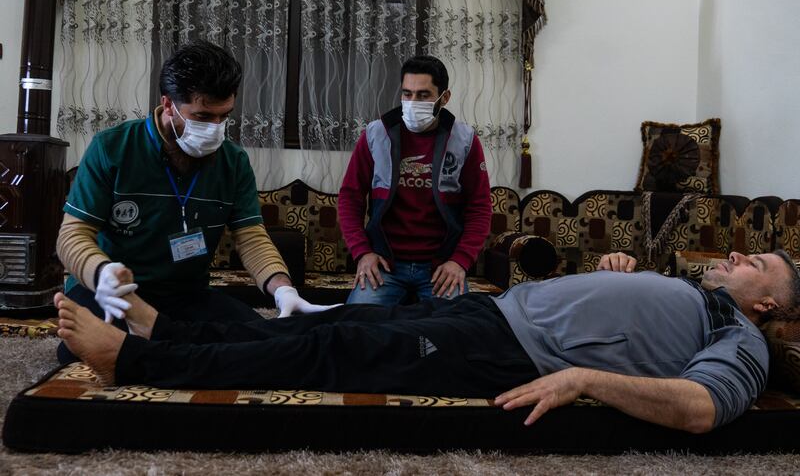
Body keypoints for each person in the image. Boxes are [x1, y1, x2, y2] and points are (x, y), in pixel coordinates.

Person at [55, 250, 800, 432]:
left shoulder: (739, 336)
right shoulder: (692, 293)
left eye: (756, 264)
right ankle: (161, 323)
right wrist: (623, 272)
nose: (737, 258)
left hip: (512, 354)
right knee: (323, 321)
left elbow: (703, 407)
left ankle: (136, 358)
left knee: (328, 353)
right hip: (494, 312)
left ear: (768, 303)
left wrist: (582, 380)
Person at [56, 40, 334, 363]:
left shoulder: (233, 161)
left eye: (224, 116)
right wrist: (99, 272)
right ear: (168, 105)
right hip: (114, 292)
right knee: (79, 353)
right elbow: (71, 236)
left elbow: (252, 237)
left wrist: (283, 289)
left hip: (185, 293)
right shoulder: (112, 149)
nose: (215, 130)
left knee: (261, 344)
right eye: (202, 116)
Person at [338, 55, 492, 305]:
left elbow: (480, 206)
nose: (412, 102)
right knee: (357, 327)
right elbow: (349, 197)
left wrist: (460, 261)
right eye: (407, 94)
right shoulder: (375, 135)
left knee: (454, 332)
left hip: (440, 268)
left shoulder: (464, 140)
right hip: (384, 266)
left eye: (423, 95)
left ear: (445, 98)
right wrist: (362, 253)